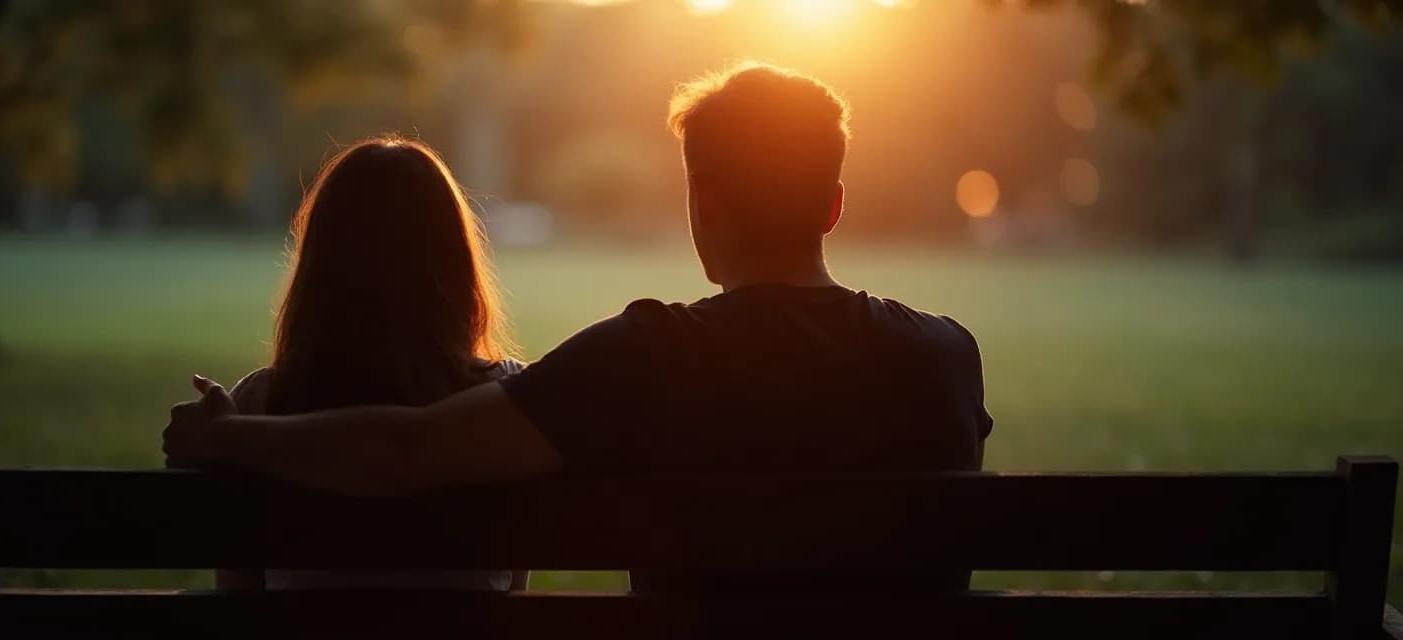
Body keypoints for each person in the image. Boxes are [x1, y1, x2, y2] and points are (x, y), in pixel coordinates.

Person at [165, 63, 993, 588]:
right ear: (835, 205)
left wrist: (235, 439)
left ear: (703, 202)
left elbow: (411, 452)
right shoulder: (946, 358)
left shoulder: (646, 360)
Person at [186, 136, 525, 592]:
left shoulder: (254, 409)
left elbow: (238, 600)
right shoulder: (506, 404)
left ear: (319, 267)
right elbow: (515, 593)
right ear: (455, 263)